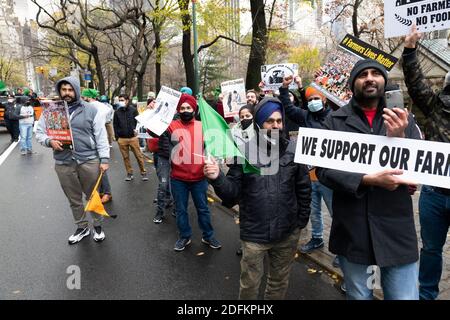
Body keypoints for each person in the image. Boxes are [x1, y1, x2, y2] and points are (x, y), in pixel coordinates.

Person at [316, 60, 422, 300]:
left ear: (384, 81)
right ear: (353, 84)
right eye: (362, 75)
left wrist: (400, 137)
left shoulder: (405, 119)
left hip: (396, 231)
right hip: (353, 232)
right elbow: (323, 171)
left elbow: (419, 168)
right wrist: (366, 179)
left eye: (376, 73)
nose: (370, 78)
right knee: (359, 295)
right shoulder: (334, 122)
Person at [205, 97, 311, 300]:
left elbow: (304, 189)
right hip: (255, 235)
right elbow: (231, 194)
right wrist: (217, 177)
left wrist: (300, 223)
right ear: (258, 123)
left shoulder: (292, 150)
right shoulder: (243, 153)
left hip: (287, 234)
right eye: (270, 121)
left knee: (279, 282)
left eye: (279, 121)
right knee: (249, 285)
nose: (276, 125)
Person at [402, 25, 450, 300]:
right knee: (431, 249)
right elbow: (416, 82)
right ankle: (427, 295)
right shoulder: (436, 106)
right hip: (433, 193)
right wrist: (409, 49)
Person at [36, 76, 110, 244]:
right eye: (64, 90)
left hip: (88, 160)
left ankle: (98, 226)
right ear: (59, 91)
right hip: (63, 162)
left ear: (76, 90)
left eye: (70, 90)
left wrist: (104, 159)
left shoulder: (91, 109)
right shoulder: (51, 110)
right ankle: (82, 227)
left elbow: (101, 136)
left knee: (93, 196)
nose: (67, 93)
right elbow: (39, 132)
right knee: (74, 199)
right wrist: (49, 141)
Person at [279, 76, 335, 260]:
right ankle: (317, 237)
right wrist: (284, 89)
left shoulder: (334, 119)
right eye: (309, 100)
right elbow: (288, 107)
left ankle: (342, 248)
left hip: (329, 177)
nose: (312, 103)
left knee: (337, 214)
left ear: (324, 99)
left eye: (316, 99)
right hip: (309, 176)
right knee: (314, 211)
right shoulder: (305, 116)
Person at [162, 93, 221, 251]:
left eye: (188, 107)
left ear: (194, 109)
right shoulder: (172, 125)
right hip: (178, 178)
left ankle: (208, 236)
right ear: (178, 110)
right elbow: (153, 130)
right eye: (182, 108)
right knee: (181, 210)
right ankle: (184, 236)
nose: (185, 110)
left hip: (199, 178)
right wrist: (155, 112)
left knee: (203, 209)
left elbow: (214, 144)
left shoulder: (203, 126)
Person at [81, 89, 113, 203]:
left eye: (84, 96)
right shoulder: (99, 106)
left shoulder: (94, 107)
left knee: (100, 169)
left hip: (95, 141)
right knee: (94, 171)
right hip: (90, 143)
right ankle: (101, 192)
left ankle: (107, 193)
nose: (82, 98)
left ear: (88, 97)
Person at [113, 94, 148, 181]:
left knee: (138, 156)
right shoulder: (117, 112)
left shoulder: (133, 110)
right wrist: (117, 138)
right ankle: (129, 173)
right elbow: (115, 125)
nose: (121, 102)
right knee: (125, 157)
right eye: (119, 100)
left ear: (127, 100)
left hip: (133, 138)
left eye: (122, 100)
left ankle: (143, 173)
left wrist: (136, 131)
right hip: (122, 139)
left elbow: (138, 122)